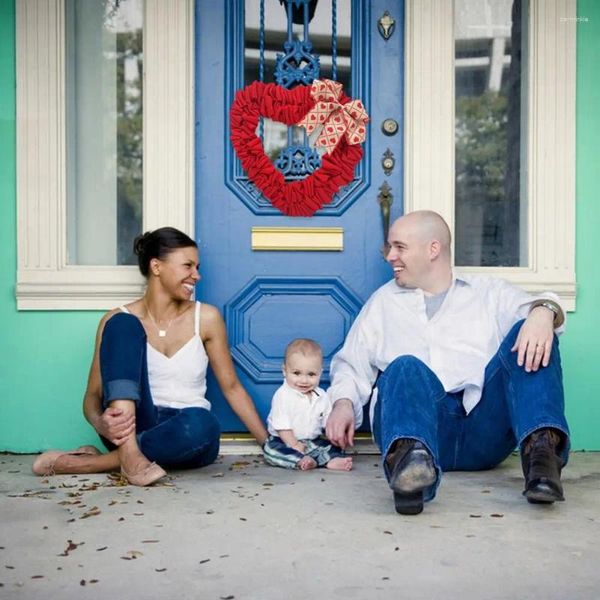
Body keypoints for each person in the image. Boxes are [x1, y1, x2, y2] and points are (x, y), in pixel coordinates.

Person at [326, 210, 569, 515]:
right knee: (404, 366)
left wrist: (544, 311)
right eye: (389, 247)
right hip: (421, 430)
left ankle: (543, 461)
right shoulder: (383, 303)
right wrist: (343, 403)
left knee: (531, 330)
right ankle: (410, 478)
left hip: (484, 429)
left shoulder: (487, 293)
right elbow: (351, 363)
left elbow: (544, 309)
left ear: (433, 249)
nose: (390, 256)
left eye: (399, 247)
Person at [33, 227, 268, 485]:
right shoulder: (115, 320)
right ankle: (129, 453)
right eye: (188, 266)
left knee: (205, 424)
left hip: (187, 427)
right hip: (131, 424)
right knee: (123, 323)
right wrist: (101, 423)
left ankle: (95, 462)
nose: (197, 275)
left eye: (197, 267)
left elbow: (232, 388)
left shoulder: (207, 318)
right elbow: (92, 397)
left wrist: (268, 444)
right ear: (157, 267)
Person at [263, 339, 353, 471]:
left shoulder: (321, 396)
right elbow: (282, 426)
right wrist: (294, 444)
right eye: (296, 373)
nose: (304, 380)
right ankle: (301, 460)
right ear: (284, 371)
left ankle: (332, 460)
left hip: (312, 441)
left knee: (330, 447)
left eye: (311, 374)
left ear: (320, 373)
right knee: (271, 451)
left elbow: (327, 421)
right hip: (284, 440)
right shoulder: (283, 395)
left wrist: (334, 436)